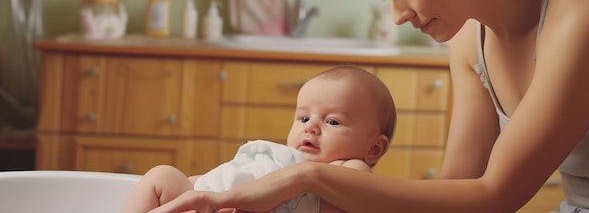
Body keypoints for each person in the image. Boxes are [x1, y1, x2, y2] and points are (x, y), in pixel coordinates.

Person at [148, 0, 589, 212]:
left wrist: (304, 177)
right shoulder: (470, 39)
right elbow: (457, 187)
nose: (399, 15)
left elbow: (494, 197)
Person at [120, 65, 396, 213]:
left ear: (374, 148)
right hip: (208, 201)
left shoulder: (348, 171)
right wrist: (196, 185)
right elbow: (222, 178)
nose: (310, 127)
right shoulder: (278, 157)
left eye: (332, 121)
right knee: (163, 175)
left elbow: (361, 190)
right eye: (302, 118)